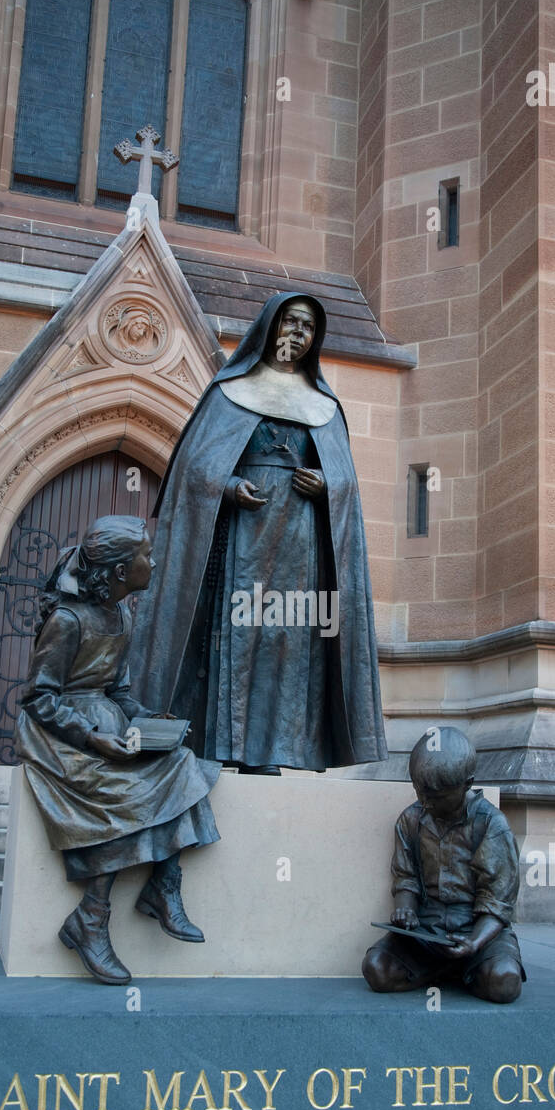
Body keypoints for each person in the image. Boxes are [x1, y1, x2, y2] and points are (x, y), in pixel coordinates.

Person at [133, 292, 388, 774]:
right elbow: (192, 469)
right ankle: (220, 746)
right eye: (290, 321)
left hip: (301, 546)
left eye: (308, 326)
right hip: (240, 542)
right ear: (270, 326)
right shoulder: (230, 389)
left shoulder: (325, 404)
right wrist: (227, 486)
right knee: (234, 635)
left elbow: (348, 483)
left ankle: (273, 752)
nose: (298, 332)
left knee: (286, 642)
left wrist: (327, 484)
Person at [14, 515, 220, 986]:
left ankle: (164, 887)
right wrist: (91, 736)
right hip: (61, 733)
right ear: (121, 570)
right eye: (145, 555)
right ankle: (92, 915)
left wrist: (148, 721)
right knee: (122, 791)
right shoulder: (67, 620)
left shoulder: (123, 613)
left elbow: (119, 691)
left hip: (109, 724)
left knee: (181, 762)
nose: (154, 561)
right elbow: (38, 698)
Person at [362, 727, 525, 1003]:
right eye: (420, 792)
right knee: (376, 969)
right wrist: (405, 909)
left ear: (466, 784)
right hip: (428, 932)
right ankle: (450, 970)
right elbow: (406, 878)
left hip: (478, 931)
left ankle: (465, 966)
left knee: (504, 983)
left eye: (436, 797)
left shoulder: (491, 824)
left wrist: (474, 942)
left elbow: (497, 901)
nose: (426, 803)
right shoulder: (411, 820)